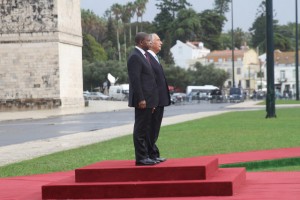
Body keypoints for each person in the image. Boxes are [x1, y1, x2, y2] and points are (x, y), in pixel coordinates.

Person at [127, 32, 159, 166]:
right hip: (142, 100)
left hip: (149, 99)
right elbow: (135, 80)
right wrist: (141, 99)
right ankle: (141, 158)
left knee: (146, 128)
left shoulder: (144, 56)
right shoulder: (135, 56)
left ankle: (146, 155)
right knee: (140, 129)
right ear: (141, 42)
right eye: (148, 41)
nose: (150, 43)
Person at [146, 33, 170, 163]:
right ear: (150, 43)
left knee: (155, 129)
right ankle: (150, 155)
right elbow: (150, 82)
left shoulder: (154, 57)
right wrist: (152, 100)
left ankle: (153, 154)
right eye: (158, 40)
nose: (161, 42)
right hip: (154, 100)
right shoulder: (147, 57)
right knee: (151, 128)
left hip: (160, 100)